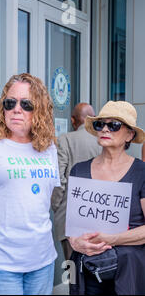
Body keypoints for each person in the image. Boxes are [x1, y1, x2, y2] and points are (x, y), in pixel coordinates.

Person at [0, 73, 60, 295]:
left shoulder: (48, 148)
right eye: (10, 102)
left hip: (42, 261)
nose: (17, 109)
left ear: (40, 109)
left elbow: (43, 201)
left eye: (26, 104)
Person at [68, 101, 145, 295]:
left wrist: (113, 238)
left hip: (129, 272)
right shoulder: (79, 170)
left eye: (114, 125)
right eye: (100, 124)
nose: (105, 129)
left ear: (130, 134)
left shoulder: (141, 173)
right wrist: (75, 242)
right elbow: (73, 224)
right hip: (86, 269)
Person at [51, 103, 102, 260]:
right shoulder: (103, 141)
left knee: (72, 268)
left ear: (73, 120)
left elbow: (59, 178)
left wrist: (55, 205)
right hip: (100, 214)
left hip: (70, 216)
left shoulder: (65, 140)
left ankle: (72, 285)